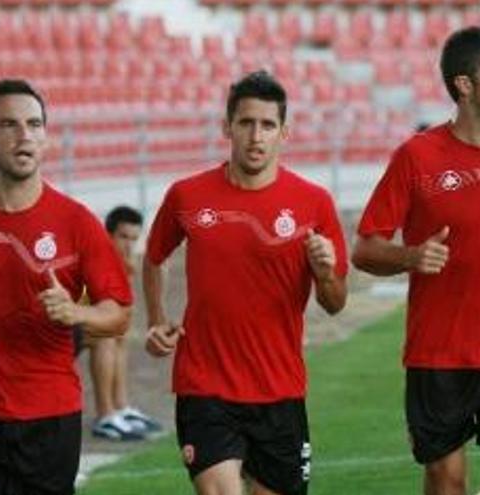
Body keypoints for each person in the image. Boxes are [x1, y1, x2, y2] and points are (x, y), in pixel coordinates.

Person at [352, 26, 480, 495]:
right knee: (447, 482)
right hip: (439, 355)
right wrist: (411, 256)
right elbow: (365, 249)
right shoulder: (416, 157)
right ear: (464, 84)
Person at [0, 79, 132, 494]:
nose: (24, 135)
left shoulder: (76, 222)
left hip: (48, 416)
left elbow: (118, 313)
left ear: (46, 137)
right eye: (10, 125)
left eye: (34, 124)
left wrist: (77, 313)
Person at [142, 70, 348, 495]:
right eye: (246, 123)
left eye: (268, 125)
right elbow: (154, 256)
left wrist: (325, 273)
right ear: (227, 127)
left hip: (279, 389)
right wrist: (158, 317)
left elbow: (335, 303)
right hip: (206, 386)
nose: (256, 136)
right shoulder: (187, 195)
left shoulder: (314, 203)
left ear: (284, 133)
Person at [88, 205, 162, 440]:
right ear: (108, 234)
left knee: (119, 334)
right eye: (123, 237)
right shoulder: (97, 257)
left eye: (134, 239)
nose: (129, 245)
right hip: (60, 327)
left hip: (80, 321)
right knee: (106, 338)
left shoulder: (123, 262)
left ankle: (120, 407)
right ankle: (105, 415)